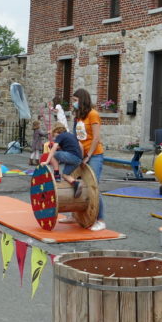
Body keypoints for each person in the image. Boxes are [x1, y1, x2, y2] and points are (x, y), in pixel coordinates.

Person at [72, 88, 107, 231]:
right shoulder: (79, 116)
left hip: (94, 155)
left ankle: (101, 220)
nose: (73, 103)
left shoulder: (93, 114)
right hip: (81, 155)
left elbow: (96, 137)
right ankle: (74, 214)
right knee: (77, 184)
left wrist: (89, 156)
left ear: (82, 100)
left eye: (75, 100)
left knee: (93, 187)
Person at [47, 123, 83, 195]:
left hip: (71, 156)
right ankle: (76, 184)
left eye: (54, 135)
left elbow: (54, 148)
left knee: (53, 154)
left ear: (57, 131)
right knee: (65, 175)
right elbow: (81, 146)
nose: (54, 137)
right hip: (78, 159)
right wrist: (81, 159)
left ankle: (56, 175)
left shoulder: (60, 135)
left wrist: (47, 161)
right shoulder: (71, 135)